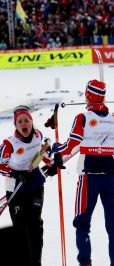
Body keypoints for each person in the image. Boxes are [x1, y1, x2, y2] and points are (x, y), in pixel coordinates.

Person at [48, 79, 114, 266]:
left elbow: (70, 146)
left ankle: (85, 263)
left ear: (88, 95)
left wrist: (54, 148)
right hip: (111, 179)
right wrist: (109, 139)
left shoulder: (82, 117)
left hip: (89, 179)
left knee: (82, 223)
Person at [0, 105, 60, 266]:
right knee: (20, 228)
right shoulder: (9, 144)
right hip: (16, 188)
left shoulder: (38, 136)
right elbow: (1, 166)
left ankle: (36, 262)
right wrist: (15, 173)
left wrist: (52, 164)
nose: (23, 123)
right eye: (20, 121)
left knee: (35, 224)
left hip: (35, 184)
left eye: (26, 120)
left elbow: (42, 155)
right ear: (15, 125)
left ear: (32, 122)